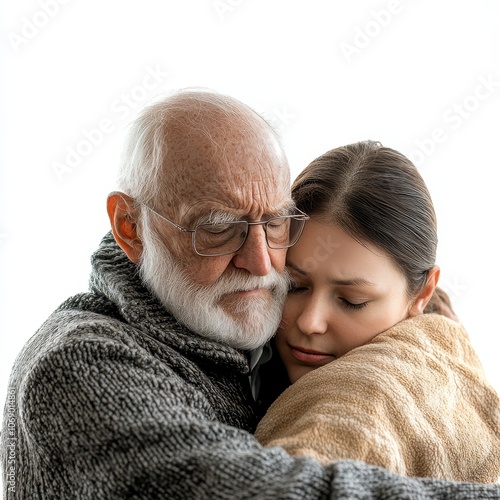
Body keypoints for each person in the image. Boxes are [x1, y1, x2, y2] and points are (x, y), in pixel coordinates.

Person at [2, 91, 500, 499]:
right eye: (219, 229)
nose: (263, 265)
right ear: (130, 228)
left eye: (277, 223)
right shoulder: (82, 363)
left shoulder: (250, 340)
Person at [255, 141, 500, 482]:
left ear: (422, 292)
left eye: (352, 300)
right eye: (294, 285)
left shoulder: (371, 395)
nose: (309, 322)